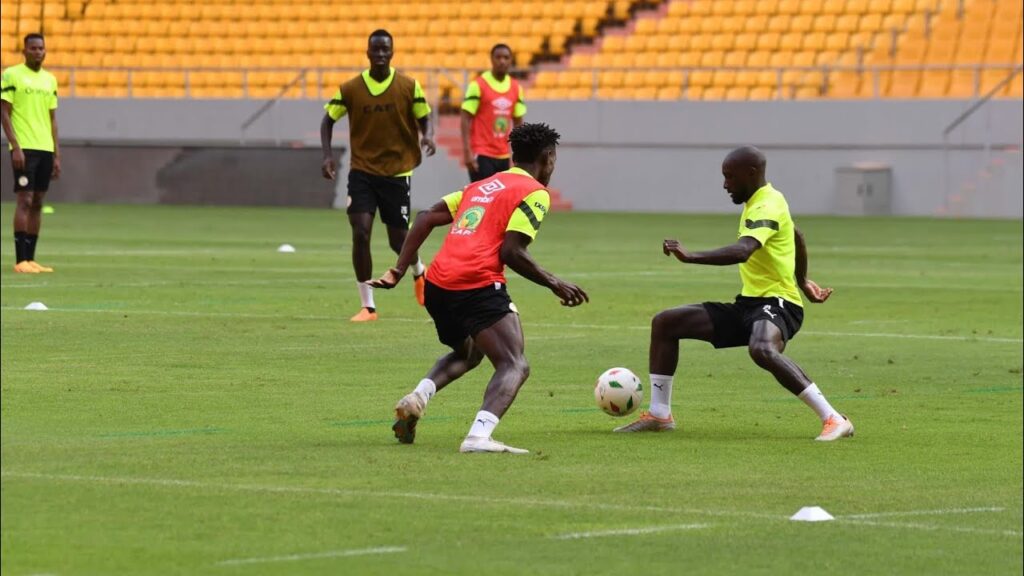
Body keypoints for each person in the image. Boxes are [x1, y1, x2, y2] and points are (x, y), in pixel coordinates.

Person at [368, 123, 588, 454]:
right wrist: (555, 283)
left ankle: (418, 397)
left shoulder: (481, 185)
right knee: (515, 363)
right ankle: (478, 437)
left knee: (470, 352)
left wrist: (400, 269)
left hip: (438, 284)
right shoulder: (534, 193)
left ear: (513, 155)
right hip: (476, 283)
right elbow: (511, 252)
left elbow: (426, 216)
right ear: (548, 157)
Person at [615, 146, 854, 441]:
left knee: (762, 348)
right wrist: (803, 279)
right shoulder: (763, 202)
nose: (725, 184)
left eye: (730, 177)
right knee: (666, 323)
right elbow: (796, 234)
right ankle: (659, 414)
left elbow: (744, 251)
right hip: (750, 305)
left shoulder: (767, 204)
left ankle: (833, 418)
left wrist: (691, 257)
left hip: (779, 304)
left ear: (751, 174)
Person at [320, 29, 436, 322]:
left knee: (399, 241)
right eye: (376, 49)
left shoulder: (409, 86)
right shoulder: (351, 89)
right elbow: (328, 119)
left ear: (392, 52)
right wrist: (327, 155)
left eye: (386, 49)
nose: (381, 54)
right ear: (368, 52)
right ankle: (368, 306)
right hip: (362, 171)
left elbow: (424, 116)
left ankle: (419, 272)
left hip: (397, 172)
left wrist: (428, 135)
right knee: (360, 231)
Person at [1, 33, 60, 274]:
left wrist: (57, 154)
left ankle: (31, 258)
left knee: (37, 201)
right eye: (33, 48)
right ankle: (20, 260)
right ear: (24, 51)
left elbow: (52, 119)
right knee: (24, 199)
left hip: (45, 148)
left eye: (41, 48)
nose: (38, 52)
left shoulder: (50, 80)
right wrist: (15, 145)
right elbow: (4, 112)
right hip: (24, 149)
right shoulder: (12, 74)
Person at [460, 43, 526, 182]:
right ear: (491, 59)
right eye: (498, 57)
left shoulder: (516, 88)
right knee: (481, 200)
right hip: (482, 153)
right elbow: (465, 118)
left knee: (500, 201)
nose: (502, 61)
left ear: (511, 60)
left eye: (506, 57)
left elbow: (518, 122)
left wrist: (520, 154)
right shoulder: (478, 85)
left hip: (503, 155)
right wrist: (467, 152)